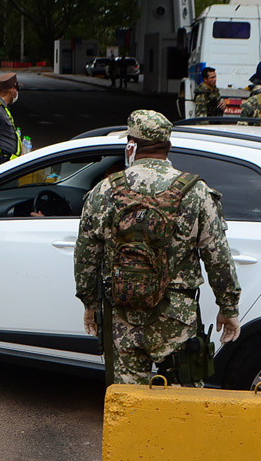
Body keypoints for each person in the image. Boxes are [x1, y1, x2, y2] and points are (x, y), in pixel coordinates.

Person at [74, 110, 242, 384]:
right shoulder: (196, 191)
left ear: (131, 146)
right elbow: (218, 258)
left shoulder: (104, 191)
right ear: (169, 147)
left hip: (123, 313)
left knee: (128, 404)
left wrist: (89, 303)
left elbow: (85, 256)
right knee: (182, 405)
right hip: (176, 316)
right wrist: (229, 307)